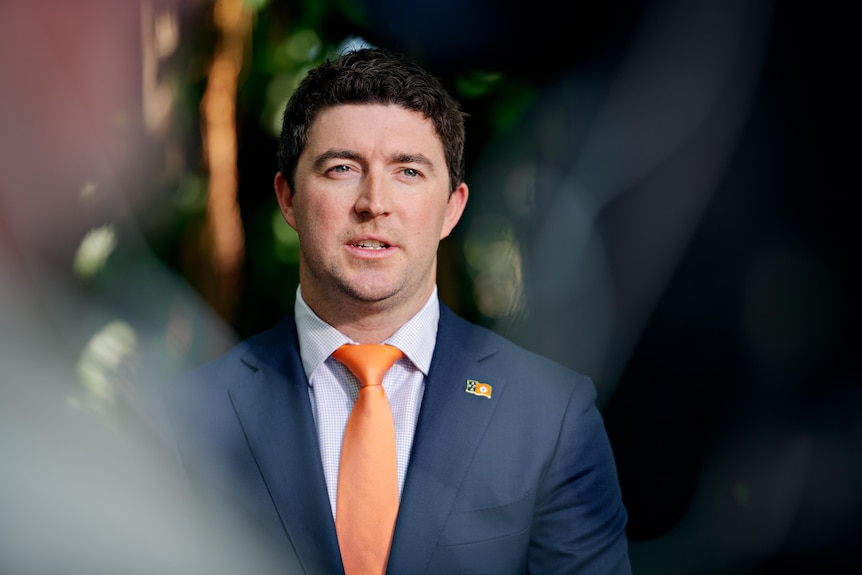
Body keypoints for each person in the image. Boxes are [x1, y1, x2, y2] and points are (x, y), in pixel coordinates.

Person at [163, 46, 631, 575]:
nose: (374, 202)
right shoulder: (185, 420)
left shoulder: (552, 417)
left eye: (408, 171)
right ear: (288, 198)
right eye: (342, 168)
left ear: (452, 208)